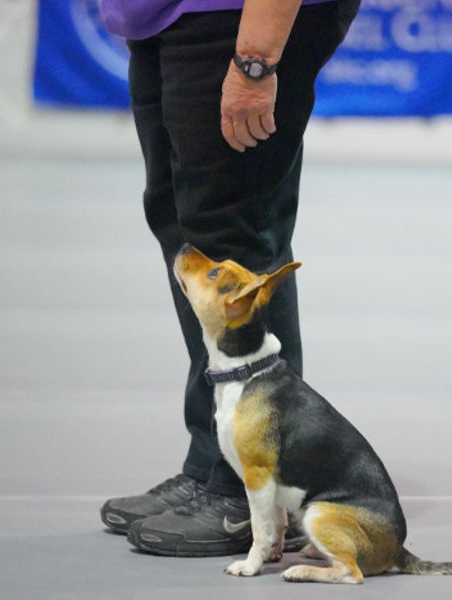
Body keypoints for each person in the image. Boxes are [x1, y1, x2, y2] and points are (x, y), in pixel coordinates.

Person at [98, 0, 361, 557]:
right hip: (172, 18)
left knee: (232, 240)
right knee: (190, 235)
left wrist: (256, 62)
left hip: (239, 20)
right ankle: (212, 463)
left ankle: (247, 490)